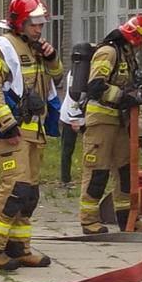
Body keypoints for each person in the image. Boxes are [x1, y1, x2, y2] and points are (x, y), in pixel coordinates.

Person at [0, 0, 65, 269]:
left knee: (29, 193)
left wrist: (51, 58)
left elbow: (58, 78)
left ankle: (19, 247)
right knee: (14, 187)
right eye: (33, 23)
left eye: (41, 23)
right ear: (18, 22)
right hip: (12, 131)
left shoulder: (36, 48)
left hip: (34, 131)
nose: (38, 28)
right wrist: (7, 124)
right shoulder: (2, 47)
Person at [78, 15, 142, 234]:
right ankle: (89, 220)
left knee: (125, 172)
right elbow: (95, 86)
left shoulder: (128, 56)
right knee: (97, 173)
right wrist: (122, 96)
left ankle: (127, 218)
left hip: (120, 122)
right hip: (101, 121)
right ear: (134, 36)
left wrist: (133, 95)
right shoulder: (109, 52)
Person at [58, 43, 94, 184]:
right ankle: (65, 179)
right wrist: (74, 118)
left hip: (82, 113)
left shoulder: (81, 69)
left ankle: (88, 176)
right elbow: (75, 96)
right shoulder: (77, 72)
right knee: (68, 149)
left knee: (90, 147)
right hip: (70, 114)